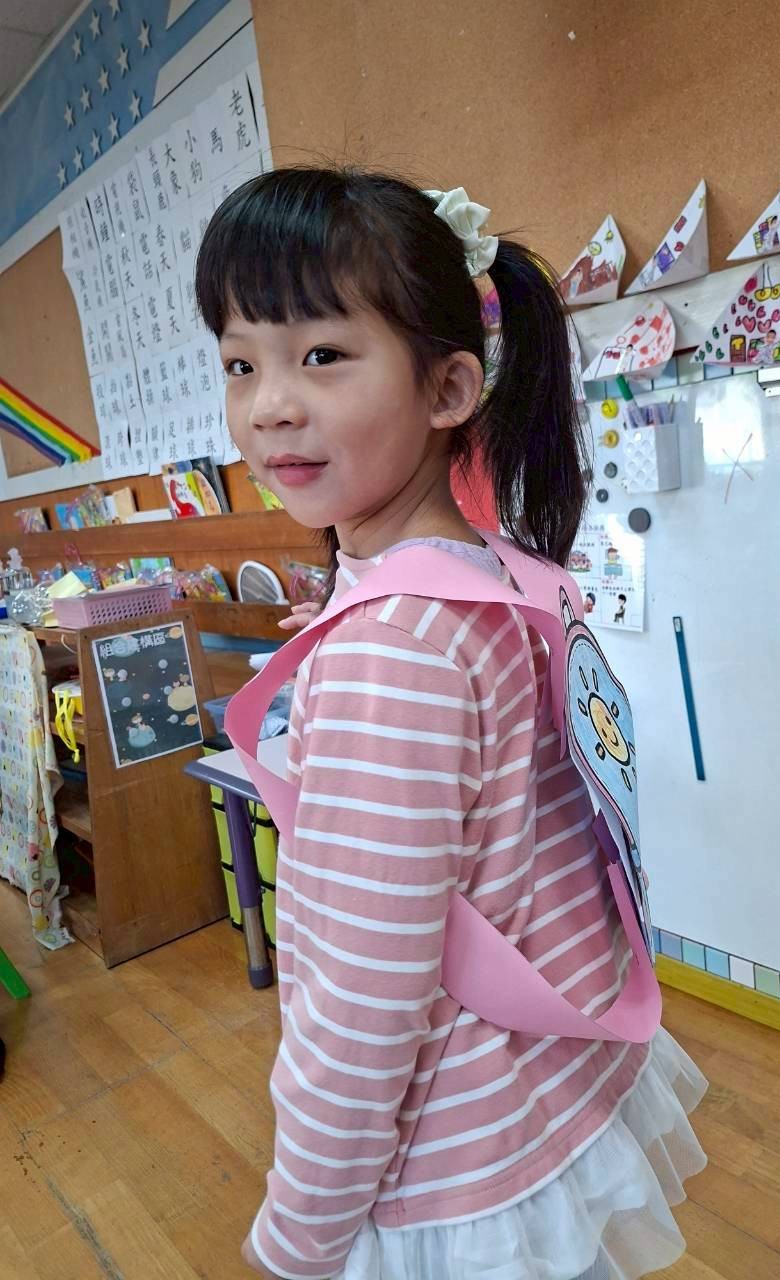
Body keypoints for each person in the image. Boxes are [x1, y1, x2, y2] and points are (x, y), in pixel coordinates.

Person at [195, 167, 707, 1280]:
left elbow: (361, 1003)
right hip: (551, 1090)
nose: (269, 403)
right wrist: (357, 631)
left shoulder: (395, 651)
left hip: (454, 1160)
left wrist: (298, 1236)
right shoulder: (502, 573)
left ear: (448, 388)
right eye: (241, 362)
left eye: (322, 355)